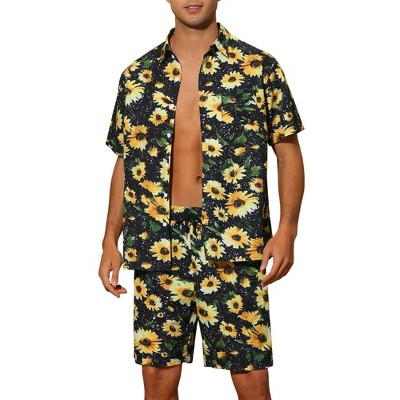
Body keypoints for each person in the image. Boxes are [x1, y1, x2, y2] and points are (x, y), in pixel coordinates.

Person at [98, 1, 305, 399]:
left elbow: (287, 151)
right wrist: (110, 238)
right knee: (158, 383)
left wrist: (287, 231)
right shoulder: (138, 75)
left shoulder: (258, 67)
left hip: (235, 241)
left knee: (252, 381)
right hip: (158, 241)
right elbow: (125, 160)